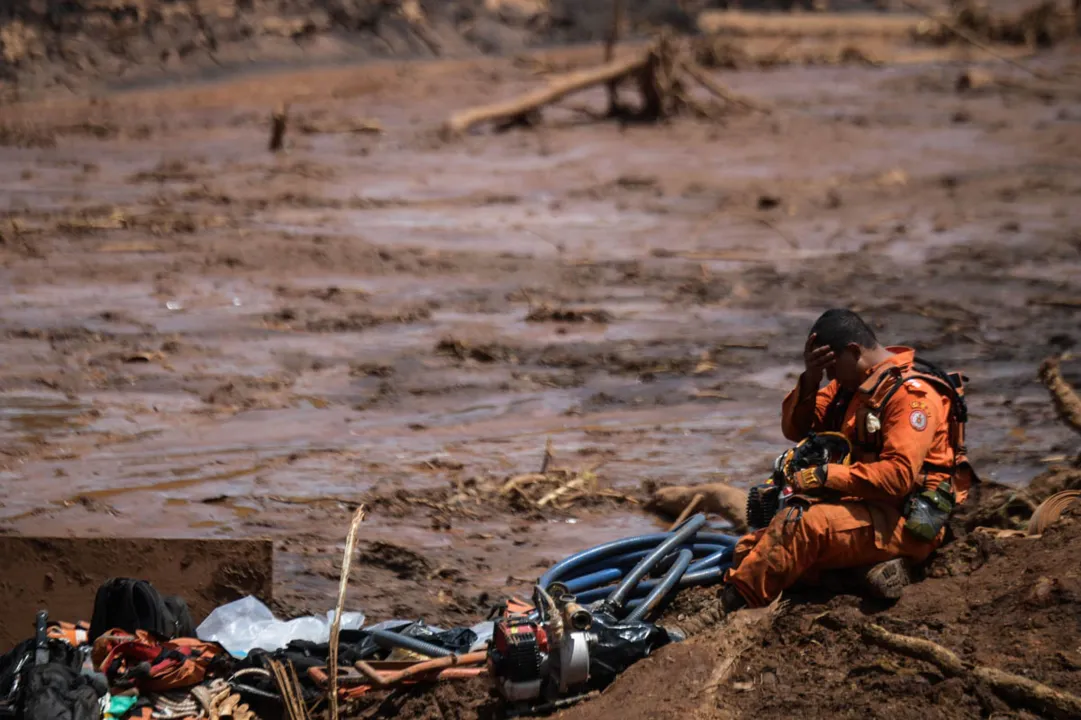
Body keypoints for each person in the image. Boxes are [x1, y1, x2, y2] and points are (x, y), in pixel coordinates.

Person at [719, 309, 975, 611]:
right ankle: (859, 577)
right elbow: (795, 429)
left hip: (905, 521)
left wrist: (825, 476)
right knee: (749, 550)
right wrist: (810, 379)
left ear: (853, 352)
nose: (831, 377)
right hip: (863, 510)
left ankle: (724, 608)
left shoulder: (910, 397)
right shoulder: (851, 387)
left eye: (832, 369)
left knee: (802, 526)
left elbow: (898, 477)